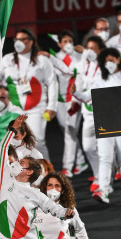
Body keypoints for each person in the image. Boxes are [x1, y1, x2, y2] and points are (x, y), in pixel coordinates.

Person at [72, 48, 121, 203]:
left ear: (119, 59)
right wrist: (75, 93)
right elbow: (87, 97)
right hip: (105, 121)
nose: (110, 63)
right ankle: (103, 190)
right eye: (106, 61)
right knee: (105, 157)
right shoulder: (101, 79)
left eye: (112, 60)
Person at [0, 29, 58, 159]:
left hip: (37, 108)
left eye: (22, 39)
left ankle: (46, 172)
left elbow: (52, 82)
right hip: (14, 109)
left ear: (31, 41)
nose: (18, 42)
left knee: (37, 142)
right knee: (16, 143)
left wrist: (52, 106)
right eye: (16, 39)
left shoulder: (41, 60)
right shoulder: (7, 60)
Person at [40, 30, 87, 177]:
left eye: (70, 41)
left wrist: (83, 50)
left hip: (74, 100)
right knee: (67, 131)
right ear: (59, 44)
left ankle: (67, 167)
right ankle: (80, 161)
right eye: (65, 41)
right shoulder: (54, 58)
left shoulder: (79, 57)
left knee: (70, 132)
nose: (68, 44)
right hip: (60, 101)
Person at [75, 36, 107, 192]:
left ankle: (102, 178)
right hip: (87, 113)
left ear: (100, 50)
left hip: (104, 112)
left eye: (93, 48)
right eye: (88, 48)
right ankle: (98, 173)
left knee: (106, 148)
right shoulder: (83, 67)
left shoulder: (106, 67)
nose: (89, 52)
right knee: (88, 147)